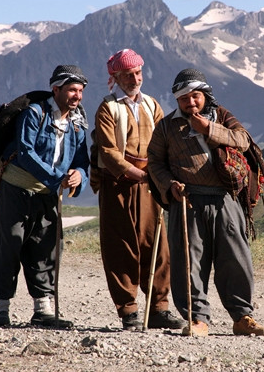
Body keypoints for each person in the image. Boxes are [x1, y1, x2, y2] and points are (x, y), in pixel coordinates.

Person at [147, 68, 264, 337]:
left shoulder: (223, 116)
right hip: (187, 200)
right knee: (190, 260)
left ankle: (242, 317)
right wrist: (169, 184)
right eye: (184, 99)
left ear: (205, 95)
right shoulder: (167, 127)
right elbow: (155, 162)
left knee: (236, 258)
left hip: (225, 199)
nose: (190, 103)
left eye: (195, 97)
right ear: (177, 101)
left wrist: (209, 129)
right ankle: (197, 319)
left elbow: (244, 141)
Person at [0, 65, 90, 328]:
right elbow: (26, 153)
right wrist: (58, 178)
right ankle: (1, 311)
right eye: (71, 90)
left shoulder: (77, 124)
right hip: (17, 190)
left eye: (80, 91)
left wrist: (79, 175)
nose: (76, 96)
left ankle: (42, 310)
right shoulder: (34, 114)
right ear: (56, 90)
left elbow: (81, 161)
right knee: (9, 244)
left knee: (45, 248)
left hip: (47, 195)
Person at [91, 49, 185, 331]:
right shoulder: (108, 108)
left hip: (148, 183)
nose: (135, 79)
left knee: (155, 244)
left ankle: (158, 308)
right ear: (116, 77)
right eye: (129, 74)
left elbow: (162, 144)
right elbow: (108, 151)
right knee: (121, 246)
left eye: (138, 73)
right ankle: (129, 310)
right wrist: (138, 174)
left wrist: (156, 175)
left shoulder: (152, 105)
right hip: (118, 183)